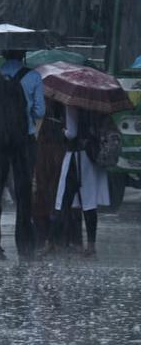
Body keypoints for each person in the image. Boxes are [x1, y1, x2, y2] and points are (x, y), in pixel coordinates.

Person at [0, 49, 44, 259]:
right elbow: (40, 112)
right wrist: (24, 114)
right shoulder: (33, 77)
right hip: (24, 141)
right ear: (23, 55)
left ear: (4, 55)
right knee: (23, 193)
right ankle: (24, 245)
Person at [53, 104, 110, 256]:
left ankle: (53, 241)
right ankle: (91, 245)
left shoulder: (72, 104)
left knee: (63, 201)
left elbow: (71, 133)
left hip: (75, 157)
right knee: (89, 203)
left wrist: (62, 130)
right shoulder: (94, 105)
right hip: (90, 156)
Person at [34, 97, 83, 252]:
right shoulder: (69, 103)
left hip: (54, 147)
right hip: (58, 148)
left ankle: (51, 237)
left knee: (55, 193)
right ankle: (62, 238)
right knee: (59, 195)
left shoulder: (47, 102)